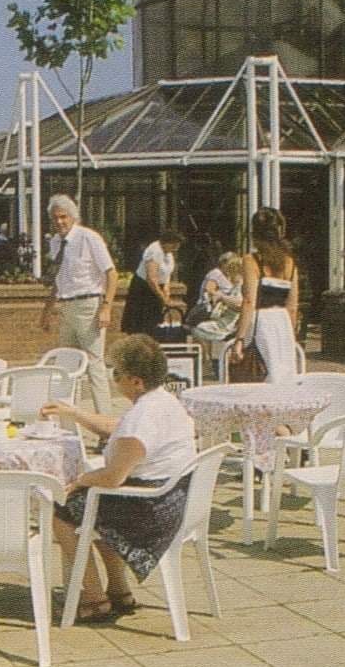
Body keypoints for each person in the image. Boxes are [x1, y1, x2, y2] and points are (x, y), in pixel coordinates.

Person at [42, 335, 197, 621]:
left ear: (136, 381)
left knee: (62, 509)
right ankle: (119, 590)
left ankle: (92, 597)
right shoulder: (164, 402)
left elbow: (113, 477)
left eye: (117, 373)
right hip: (172, 501)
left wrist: (80, 480)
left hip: (151, 514)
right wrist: (75, 413)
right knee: (94, 506)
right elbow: (118, 427)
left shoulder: (143, 417)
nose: (113, 378)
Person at [39, 194, 119, 415]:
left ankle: (105, 424)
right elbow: (59, 280)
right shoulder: (56, 242)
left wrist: (106, 307)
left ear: (73, 217)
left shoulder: (89, 238)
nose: (59, 222)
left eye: (63, 217)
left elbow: (111, 274)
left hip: (88, 306)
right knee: (65, 365)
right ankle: (66, 420)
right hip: (65, 307)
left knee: (94, 365)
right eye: (55, 218)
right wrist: (47, 311)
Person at [232, 208, 300, 382]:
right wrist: (289, 336)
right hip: (283, 324)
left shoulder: (251, 260)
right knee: (282, 377)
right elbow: (292, 307)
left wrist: (239, 339)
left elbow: (249, 302)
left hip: (261, 323)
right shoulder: (289, 263)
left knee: (260, 376)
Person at [123, 229, 183, 334]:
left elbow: (166, 273)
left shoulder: (168, 253)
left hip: (157, 289)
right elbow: (151, 278)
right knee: (140, 325)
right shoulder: (154, 250)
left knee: (153, 324)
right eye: (173, 246)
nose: (175, 250)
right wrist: (163, 298)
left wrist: (166, 290)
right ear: (166, 242)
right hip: (143, 290)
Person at [190, 252, 245, 364]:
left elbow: (240, 304)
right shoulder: (217, 274)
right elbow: (209, 290)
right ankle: (206, 360)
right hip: (224, 315)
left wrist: (222, 297)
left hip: (230, 321)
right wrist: (220, 297)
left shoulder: (239, 284)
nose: (229, 275)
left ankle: (206, 361)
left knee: (198, 329)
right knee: (199, 329)